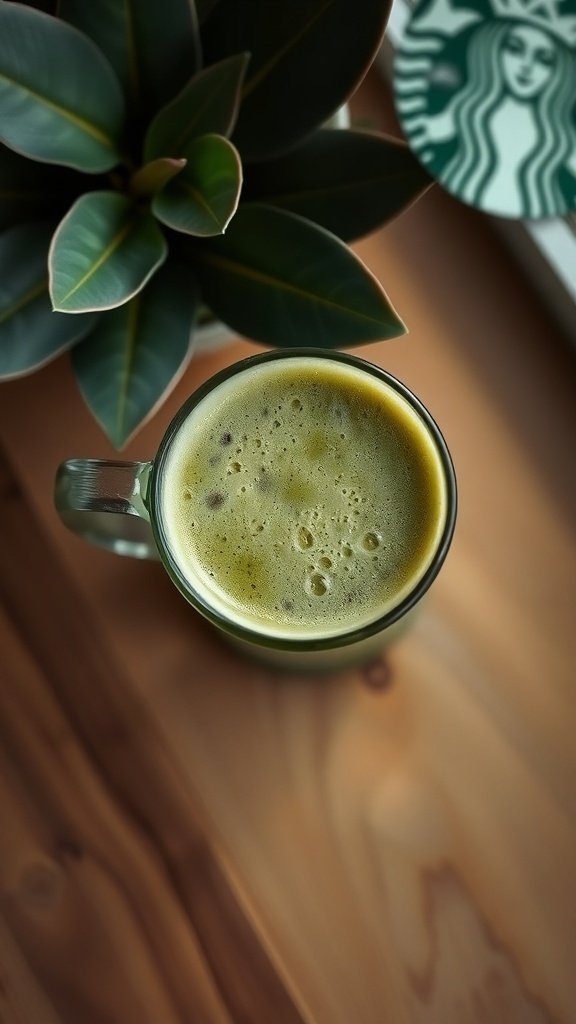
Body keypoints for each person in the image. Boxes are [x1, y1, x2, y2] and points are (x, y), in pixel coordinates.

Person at [395, 3, 576, 218]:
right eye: (515, 49)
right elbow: (425, 127)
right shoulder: (466, 106)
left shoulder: (560, 136)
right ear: (492, 49)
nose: (526, 66)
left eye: (544, 60)